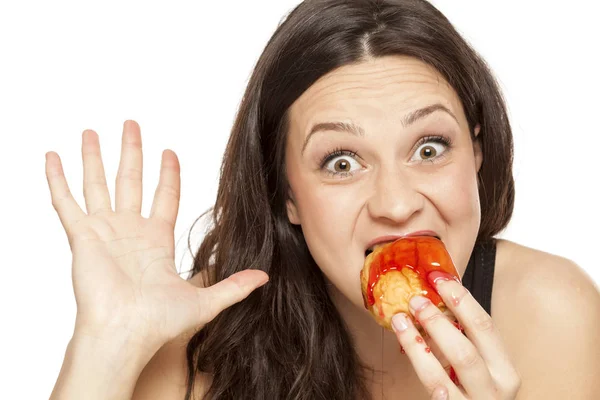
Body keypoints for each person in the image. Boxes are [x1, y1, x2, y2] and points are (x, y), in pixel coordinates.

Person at [46, 0, 600, 399]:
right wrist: (108, 344)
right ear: (287, 195)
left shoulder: (552, 314)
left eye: (429, 148)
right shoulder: (196, 338)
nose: (396, 202)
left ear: (476, 155)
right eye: (342, 162)